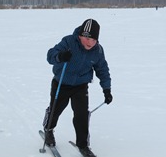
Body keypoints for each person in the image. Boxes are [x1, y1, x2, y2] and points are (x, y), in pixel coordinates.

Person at [42, 19, 113, 157]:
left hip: (81, 86)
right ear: (80, 35)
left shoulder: (97, 51)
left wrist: (107, 89)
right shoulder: (68, 42)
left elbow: (102, 70)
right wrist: (60, 56)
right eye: (86, 37)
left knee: (82, 115)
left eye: (92, 39)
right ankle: (48, 129)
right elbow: (50, 55)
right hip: (61, 82)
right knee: (55, 109)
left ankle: (83, 144)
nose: (88, 42)